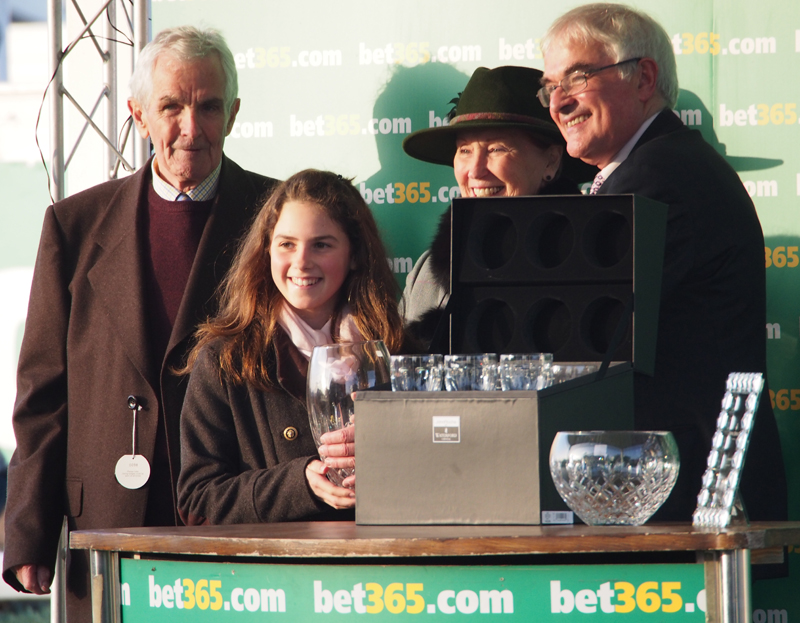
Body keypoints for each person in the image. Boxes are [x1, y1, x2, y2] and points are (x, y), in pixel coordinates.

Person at [2, 25, 278, 619]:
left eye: (208, 107)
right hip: (107, 527)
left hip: (237, 518)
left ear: (233, 114)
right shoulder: (74, 227)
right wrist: (27, 528)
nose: (190, 127)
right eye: (171, 106)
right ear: (136, 114)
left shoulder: (278, 218)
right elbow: (44, 392)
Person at [540, 3, 787, 527]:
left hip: (681, 498)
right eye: (550, 86)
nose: (558, 101)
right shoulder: (660, 166)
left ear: (643, 78)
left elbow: (586, 336)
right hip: (676, 492)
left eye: (577, 78)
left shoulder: (657, 180)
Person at [177, 169, 405, 524]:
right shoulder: (225, 360)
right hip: (273, 577)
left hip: (382, 575)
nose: (301, 262)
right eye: (287, 244)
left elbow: (445, 474)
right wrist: (300, 485)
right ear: (266, 250)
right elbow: (196, 500)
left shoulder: (397, 352)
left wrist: (393, 454)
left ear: (356, 254)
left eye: (322, 244)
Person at [399, 65, 593, 347]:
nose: (475, 170)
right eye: (464, 150)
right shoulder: (425, 271)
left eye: (496, 149)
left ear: (551, 161)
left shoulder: (586, 257)